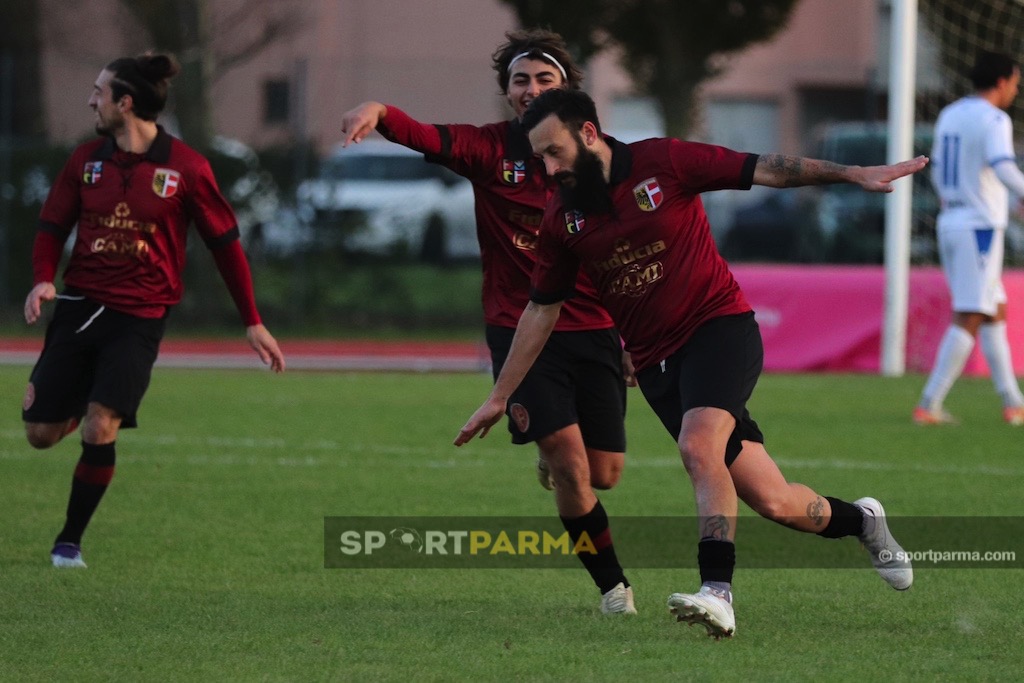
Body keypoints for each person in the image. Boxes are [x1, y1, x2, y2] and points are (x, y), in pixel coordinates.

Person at [456, 88, 924, 638]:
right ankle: (864, 521)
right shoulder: (562, 218)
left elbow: (767, 169)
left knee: (697, 445)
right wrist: (500, 394)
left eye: (554, 153)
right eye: (539, 158)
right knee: (777, 502)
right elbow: (540, 310)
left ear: (588, 134)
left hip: (718, 329)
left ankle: (717, 593)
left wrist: (851, 174)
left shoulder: (664, 162)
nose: (548, 169)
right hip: (657, 366)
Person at [340, 29, 636, 614]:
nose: (530, 89)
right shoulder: (488, 150)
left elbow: (624, 254)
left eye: (543, 79)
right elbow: (423, 135)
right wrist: (377, 111)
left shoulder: (604, 158)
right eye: (520, 80)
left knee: (605, 475)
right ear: (506, 92)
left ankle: (550, 452)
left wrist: (630, 334)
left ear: (568, 88)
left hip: (594, 327)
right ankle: (613, 589)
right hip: (518, 330)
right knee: (573, 469)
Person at [22, 52, 286, 569]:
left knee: (102, 428)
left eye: (99, 92)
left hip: (139, 318)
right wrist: (41, 281)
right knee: (40, 435)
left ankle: (68, 543)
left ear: (125, 103)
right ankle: (80, 400)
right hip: (77, 309)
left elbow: (226, 245)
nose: (90, 100)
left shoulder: (186, 168)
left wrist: (251, 319)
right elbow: (52, 226)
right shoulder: (85, 161)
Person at [914, 50, 1024, 426]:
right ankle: (929, 403)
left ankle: (1013, 401)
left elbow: (942, 171)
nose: (1015, 90)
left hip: (952, 220)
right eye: (1015, 83)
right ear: (1002, 81)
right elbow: (1003, 166)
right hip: (977, 226)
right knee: (973, 311)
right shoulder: (994, 119)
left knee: (994, 309)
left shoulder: (951, 114)